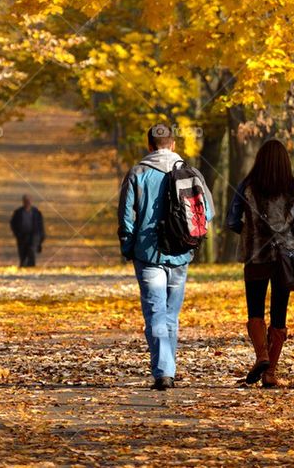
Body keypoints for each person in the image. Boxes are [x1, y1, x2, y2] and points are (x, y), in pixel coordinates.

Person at [118, 124, 215, 390]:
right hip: (181, 252)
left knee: (155, 313)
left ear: (149, 145)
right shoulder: (191, 173)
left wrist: (128, 247)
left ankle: (164, 371)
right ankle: (167, 368)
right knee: (171, 314)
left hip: (148, 253)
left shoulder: (137, 173)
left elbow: (126, 218)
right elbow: (208, 213)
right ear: (173, 145)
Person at [226, 139, 294, 388]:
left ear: (259, 160)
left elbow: (232, 221)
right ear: (285, 162)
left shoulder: (247, 185)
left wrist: (249, 234)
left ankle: (261, 355)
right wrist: (285, 235)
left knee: (254, 310)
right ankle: (270, 372)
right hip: (285, 259)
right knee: (279, 313)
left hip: (255, 257)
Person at [10, 195, 45, 267]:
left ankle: (31, 266)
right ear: (23, 202)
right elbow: (13, 223)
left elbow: (40, 225)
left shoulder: (36, 212)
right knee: (22, 252)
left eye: (29, 201)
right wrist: (16, 233)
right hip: (22, 235)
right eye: (26, 201)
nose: (27, 202)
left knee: (31, 250)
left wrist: (41, 236)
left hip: (34, 235)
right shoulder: (18, 212)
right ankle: (23, 265)